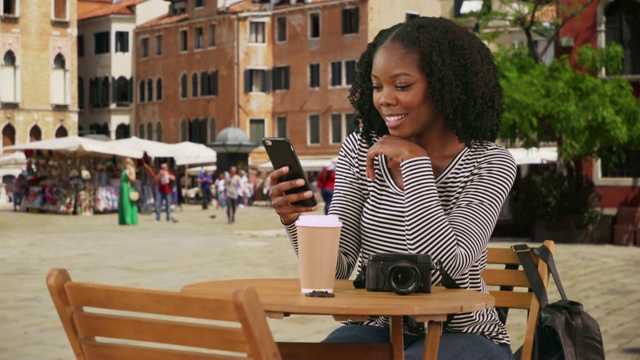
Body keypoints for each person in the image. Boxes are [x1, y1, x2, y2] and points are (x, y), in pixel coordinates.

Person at [268, 17, 516, 360]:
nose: (384, 99)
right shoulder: (359, 149)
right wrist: (296, 220)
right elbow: (336, 269)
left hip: (465, 332)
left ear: (444, 86)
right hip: (380, 325)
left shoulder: (490, 163)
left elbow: (452, 262)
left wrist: (415, 166)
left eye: (401, 85)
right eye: (377, 86)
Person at [118, 158, 138, 225]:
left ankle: (129, 219)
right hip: (123, 187)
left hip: (128, 187)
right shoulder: (124, 169)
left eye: (127, 163)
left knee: (128, 204)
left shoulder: (131, 169)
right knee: (123, 203)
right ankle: (123, 219)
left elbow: (134, 179)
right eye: (125, 163)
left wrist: (128, 175)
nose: (126, 164)